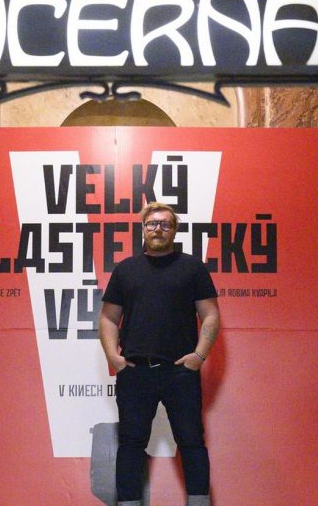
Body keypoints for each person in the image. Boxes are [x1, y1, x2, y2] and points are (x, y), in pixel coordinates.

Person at [99, 202, 221, 506]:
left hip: (180, 372)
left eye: (165, 224)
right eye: (152, 224)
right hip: (135, 372)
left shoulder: (192, 268)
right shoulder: (126, 270)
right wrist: (113, 358)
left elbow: (210, 315)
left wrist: (198, 357)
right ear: (143, 229)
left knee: (191, 442)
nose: (158, 229)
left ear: (174, 230)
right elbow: (108, 318)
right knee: (130, 444)